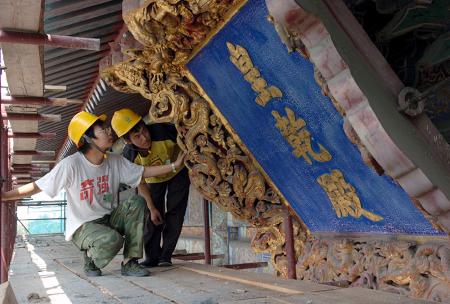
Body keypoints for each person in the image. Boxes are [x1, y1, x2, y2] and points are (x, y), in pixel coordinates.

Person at [1, 111, 185, 277]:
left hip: (109, 219)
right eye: (103, 130)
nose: (109, 131)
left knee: (137, 202)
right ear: (89, 139)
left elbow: (142, 172)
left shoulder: (115, 160)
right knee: (113, 240)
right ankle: (90, 257)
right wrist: (5, 196)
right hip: (84, 227)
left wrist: (174, 166)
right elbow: (37, 186)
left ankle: (130, 263)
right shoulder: (71, 165)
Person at [111, 109, 190, 267]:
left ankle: (166, 256)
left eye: (144, 130)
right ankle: (152, 256)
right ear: (127, 141)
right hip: (153, 180)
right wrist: (151, 207)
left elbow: (185, 136)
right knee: (152, 216)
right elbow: (139, 181)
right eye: (137, 136)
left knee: (176, 211)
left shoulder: (162, 131)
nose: (144, 137)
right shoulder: (130, 156)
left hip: (178, 171)